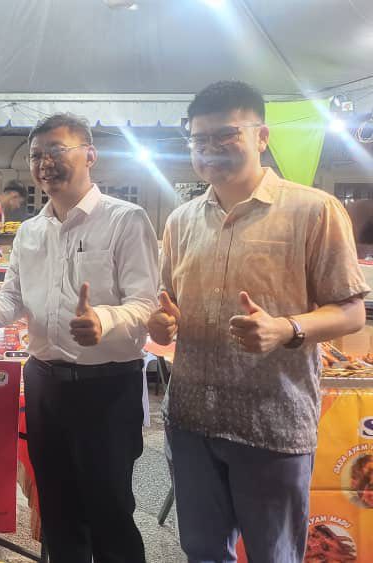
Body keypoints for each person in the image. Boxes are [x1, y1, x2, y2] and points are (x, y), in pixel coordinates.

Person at [149, 81, 370, 562]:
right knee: (202, 552)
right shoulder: (181, 221)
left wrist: (285, 328)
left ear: (262, 136)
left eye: (225, 135)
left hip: (272, 423)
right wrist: (162, 324)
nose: (210, 148)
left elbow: (352, 311)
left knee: (274, 554)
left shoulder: (313, 210)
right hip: (191, 421)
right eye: (199, 139)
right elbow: (169, 307)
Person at [0, 113, 158, 562]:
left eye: (57, 150)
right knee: (58, 513)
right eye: (36, 155)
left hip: (107, 387)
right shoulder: (30, 231)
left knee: (110, 513)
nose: (44, 162)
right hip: (45, 385)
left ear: (90, 155)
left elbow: (145, 305)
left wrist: (103, 319)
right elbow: (12, 300)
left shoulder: (125, 220)